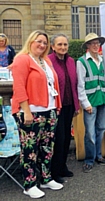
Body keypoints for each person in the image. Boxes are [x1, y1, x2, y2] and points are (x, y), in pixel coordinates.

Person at [11, 30, 63, 199]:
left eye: (44, 43)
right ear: (31, 41)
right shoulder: (22, 59)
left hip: (49, 109)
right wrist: (26, 110)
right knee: (30, 149)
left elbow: (52, 84)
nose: (42, 45)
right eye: (38, 41)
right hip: (31, 111)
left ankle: (46, 178)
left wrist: (57, 107)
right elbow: (19, 87)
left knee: (47, 147)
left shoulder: (45, 60)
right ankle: (29, 183)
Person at [48, 33, 80, 183]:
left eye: (65, 44)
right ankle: (54, 171)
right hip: (56, 106)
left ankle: (63, 166)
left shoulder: (71, 61)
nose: (63, 47)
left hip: (69, 105)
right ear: (53, 46)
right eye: (59, 44)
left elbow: (74, 84)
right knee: (58, 138)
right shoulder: (48, 61)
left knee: (67, 137)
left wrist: (77, 105)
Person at [76, 33, 105, 173]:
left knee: (100, 129)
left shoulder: (102, 60)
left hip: (102, 100)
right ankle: (89, 159)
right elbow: (80, 85)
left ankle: (98, 155)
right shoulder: (81, 62)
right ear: (87, 46)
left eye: (97, 43)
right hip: (91, 101)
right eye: (92, 43)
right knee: (89, 132)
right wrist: (85, 103)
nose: (96, 46)